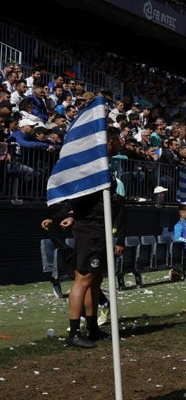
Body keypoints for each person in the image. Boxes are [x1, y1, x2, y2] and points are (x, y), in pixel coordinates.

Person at [41, 126, 125, 348]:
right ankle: (74, 332)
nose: (119, 145)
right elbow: (78, 200)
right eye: (116, 141)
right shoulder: (95, 169)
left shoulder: (102, 168)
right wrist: (65, 215)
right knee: (84, 279)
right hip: (92, 232)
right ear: (109, 143)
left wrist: (72, 216)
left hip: (96, 230)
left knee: (95, 280)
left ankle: (92, 327)